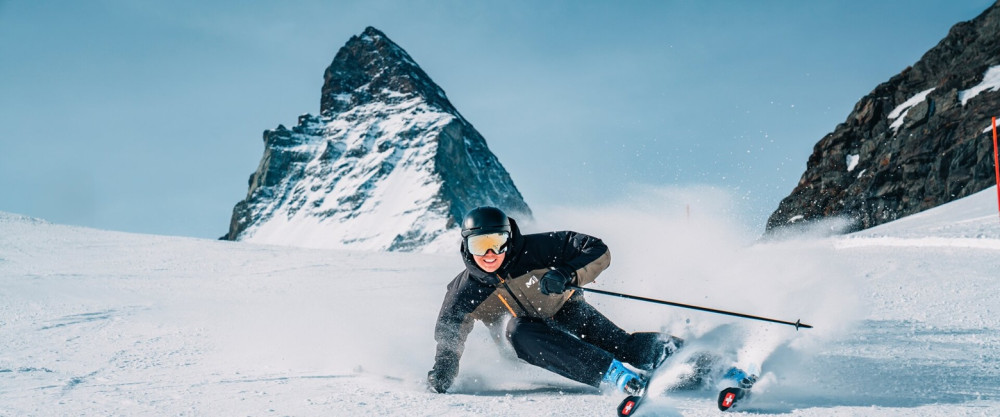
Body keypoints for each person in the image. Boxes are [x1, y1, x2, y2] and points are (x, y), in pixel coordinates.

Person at [427, 206, 683, 395]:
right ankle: (612, 373)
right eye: (480, 245)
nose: (490, 254)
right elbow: (449, 331)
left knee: (622, 345)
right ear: (467, 246)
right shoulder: (465, 290)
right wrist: (444, 370)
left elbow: (596, 250)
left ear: (509, 238)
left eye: (497, 242)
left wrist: (565, 273)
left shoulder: (535, 250)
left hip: (566, 310)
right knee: (518, 329)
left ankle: (692, 359)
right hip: (523, 341)